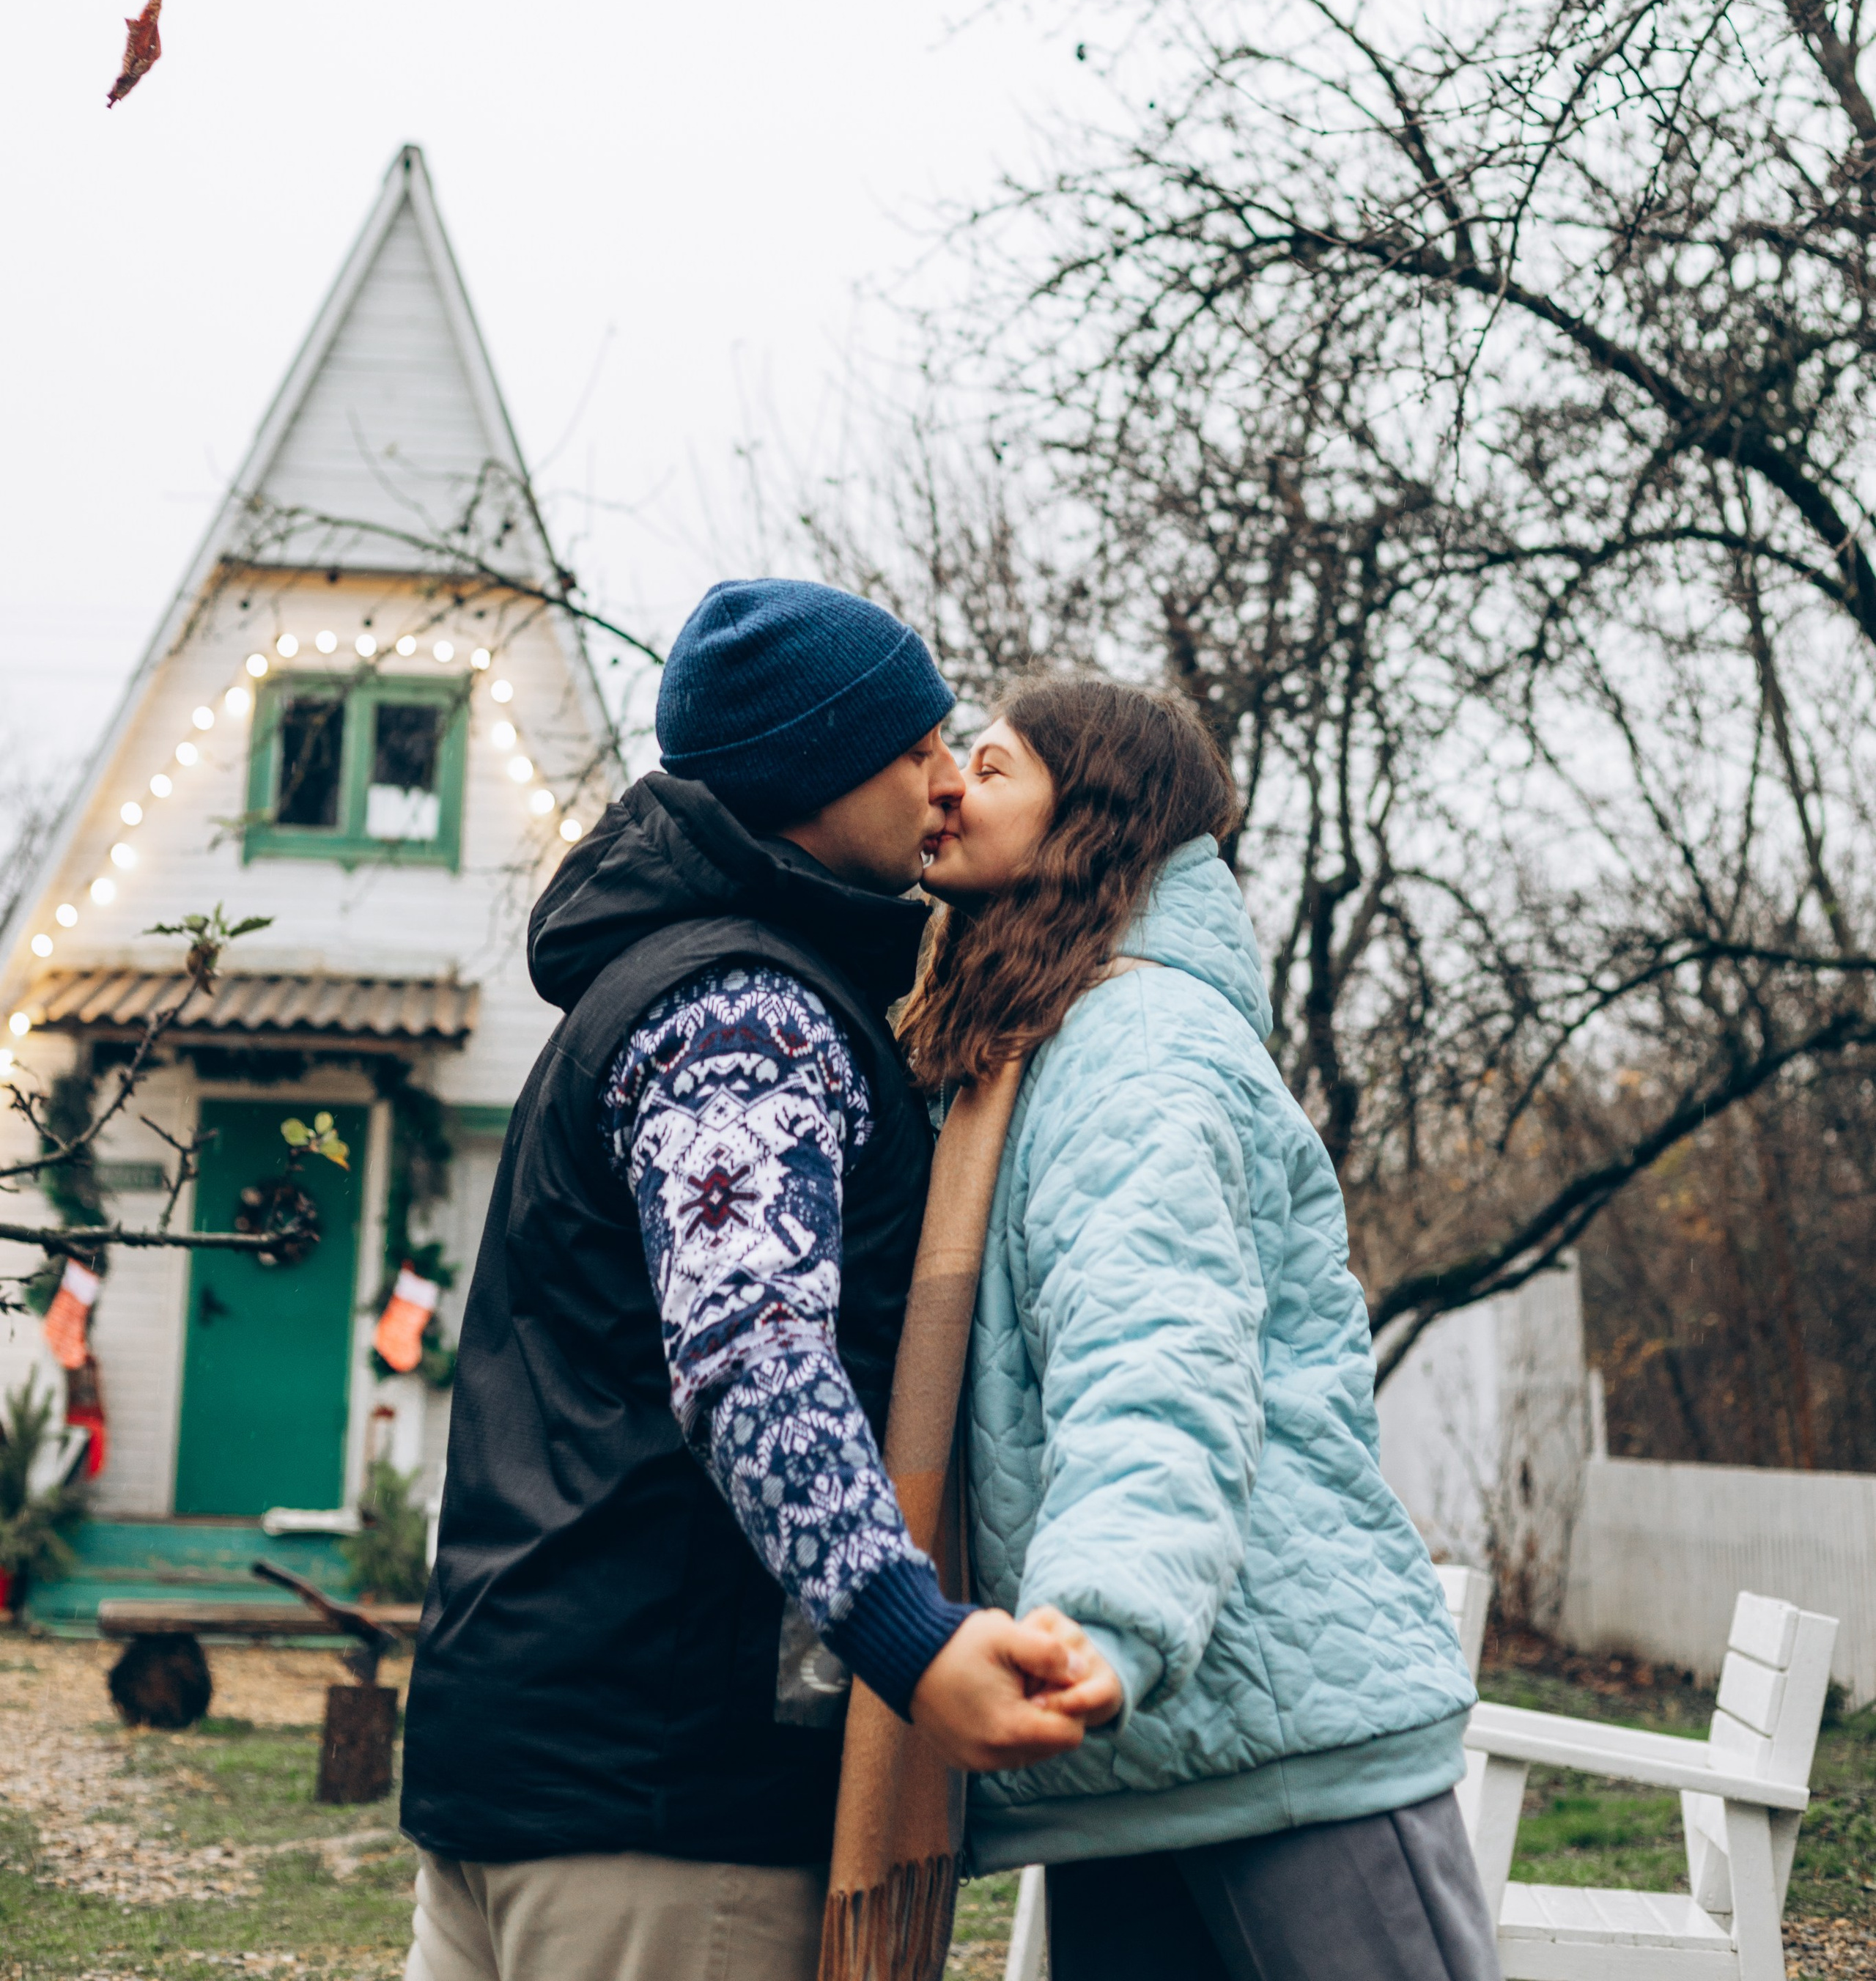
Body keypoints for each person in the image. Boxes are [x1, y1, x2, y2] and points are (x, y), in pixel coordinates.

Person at [399, 580, 1104, 1981]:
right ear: (812, 771)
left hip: (532, 1756)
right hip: (661, 1799)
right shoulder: (745, 1016)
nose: (944, 775)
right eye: (914, 744)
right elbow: (751, 1357)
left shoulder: (678, 980)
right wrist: (913, 1638)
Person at [906, 674, 1502, 1981]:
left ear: (1092, 825)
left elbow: (1156, 1361)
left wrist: (1097, 1626)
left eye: (994, 768)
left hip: (1272, 1746)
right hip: (1147, 1749)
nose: (950, 784)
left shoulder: (1137, 1047)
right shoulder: (1041, 1044)